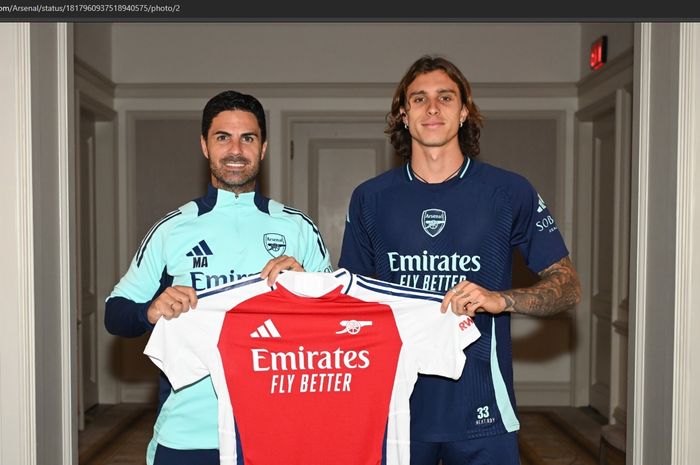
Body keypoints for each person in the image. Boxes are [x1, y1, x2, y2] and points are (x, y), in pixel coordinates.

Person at [338, 55, 582, 465]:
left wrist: (501, 299)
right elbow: (349, 300)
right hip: (396, 406)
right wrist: (296, 285)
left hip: (482, 407)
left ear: (465, 111)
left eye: (446, 97)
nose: (432, 108)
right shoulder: (370, 198)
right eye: (419, 99)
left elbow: (569, 286)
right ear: (403, 115)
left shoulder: (508, 192)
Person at [105, 90, 332, 465]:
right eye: (223, 137)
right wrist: (150, 310)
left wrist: (307, 286)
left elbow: (339, 325)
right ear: (204, 146)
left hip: (278, 429)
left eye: (248, 138)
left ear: (263, 148)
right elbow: (115, 313)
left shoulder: (298, 228)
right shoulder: (172, 229)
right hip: (189, 433)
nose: (236, 150)